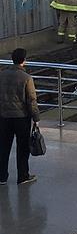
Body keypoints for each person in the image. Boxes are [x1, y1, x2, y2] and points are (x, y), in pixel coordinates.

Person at [0, 48, 40, 185]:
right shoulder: (26, 78)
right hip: (21, 118)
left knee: (3, 146)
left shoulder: (2, 75)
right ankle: (23, 176)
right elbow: (32, 101)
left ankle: (2, 176)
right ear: (24, 61)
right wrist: (36, 118)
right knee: (22, 147)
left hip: (4, 117)